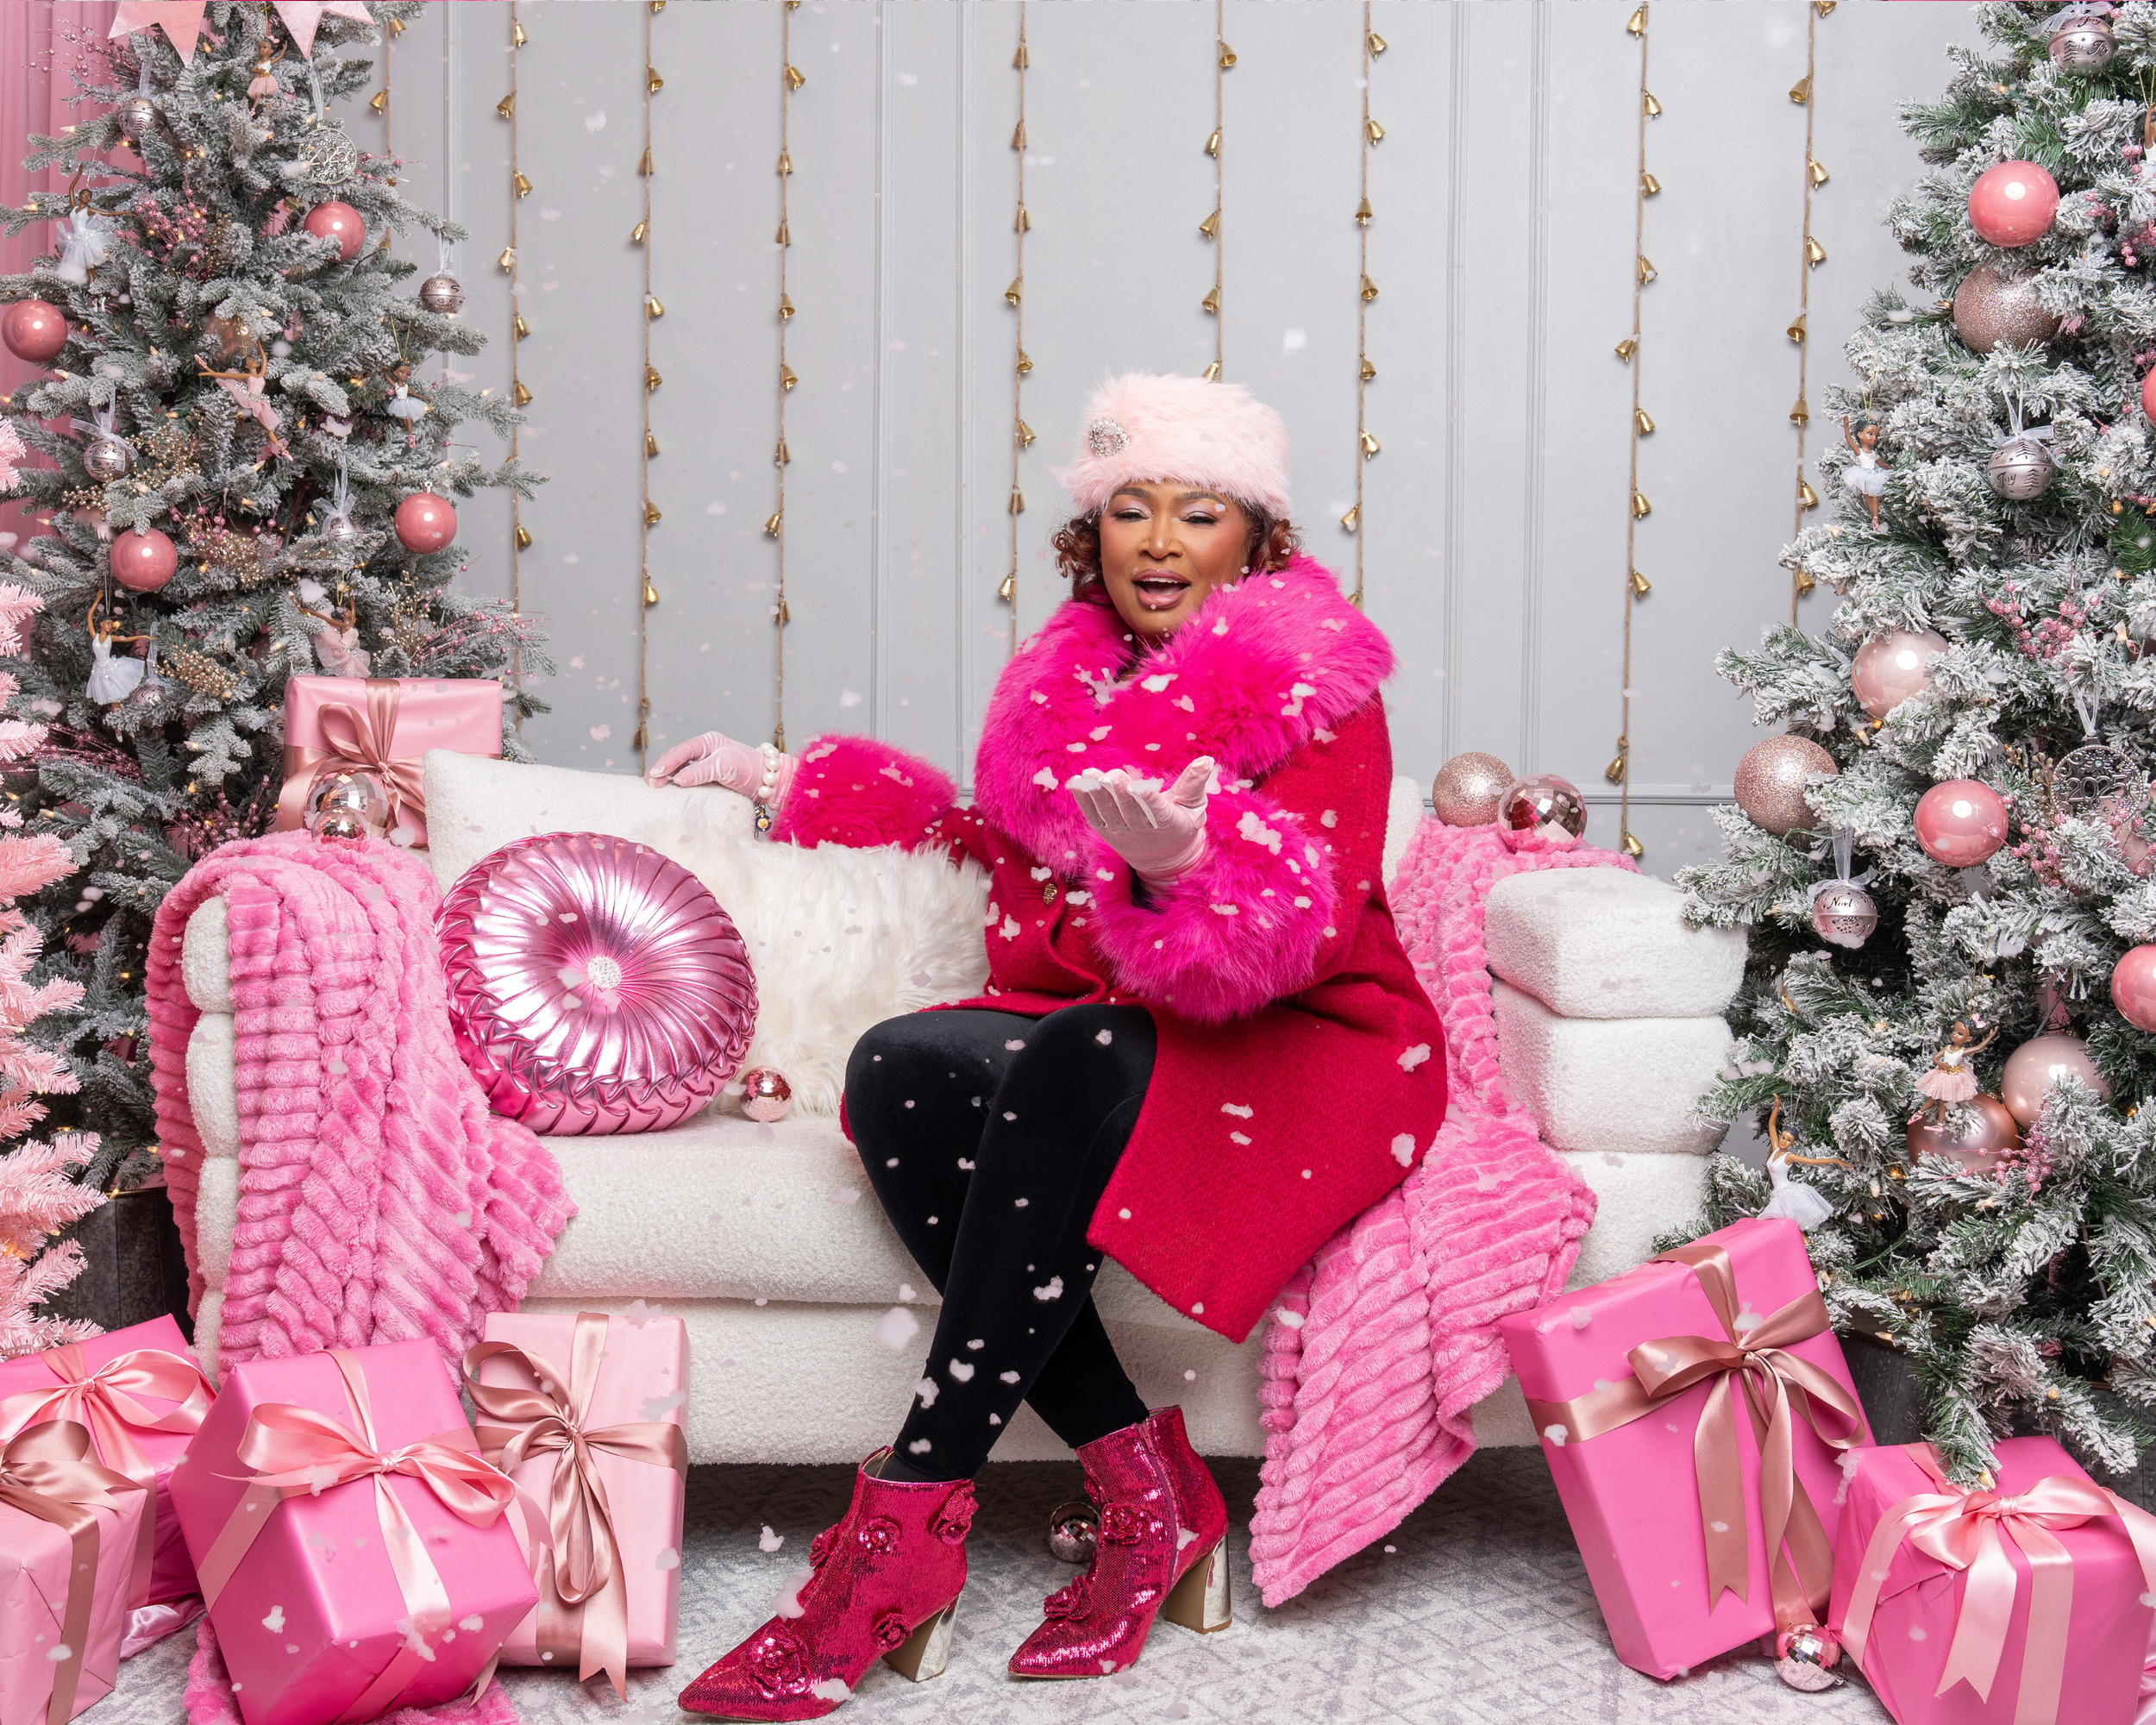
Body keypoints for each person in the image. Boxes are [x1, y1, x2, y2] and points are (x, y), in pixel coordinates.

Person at [655, 373, 1447, 1719]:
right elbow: (985, 842)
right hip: (1119, 1020)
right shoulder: (1067, 685)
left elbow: (1307, 923)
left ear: (1256, 540)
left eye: (1196, 514)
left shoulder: (1317, 688)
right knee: (902, 1063)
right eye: (1128, 511)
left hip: (1310, 1034)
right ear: (1095, 536)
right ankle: (1154, 1496)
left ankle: (897, 1539)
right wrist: (791, 781)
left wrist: (1184, 867)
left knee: (1074, 1057)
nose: (1155, 541)